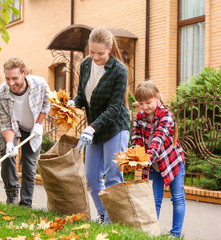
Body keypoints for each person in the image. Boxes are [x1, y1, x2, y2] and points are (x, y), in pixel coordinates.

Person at [68, 27, 130, 224]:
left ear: (110, 49)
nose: (95, 57)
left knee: (113, 175)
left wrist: (91, 128)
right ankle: (104, 215)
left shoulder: (120, 71)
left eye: (100, 53)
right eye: (91, 52)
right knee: (92, 178)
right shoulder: (86, 65)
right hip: (94, 129)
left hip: (115, 127)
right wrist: (72, 103)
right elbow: (81, 95)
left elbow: (114, 108)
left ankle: (115, 221)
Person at [131, 80, 185, 238]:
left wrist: (147, 158)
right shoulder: (139, 117)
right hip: (153, 165)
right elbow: (136, 140)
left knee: (177, 198)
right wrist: (134, 157)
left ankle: (175, 234)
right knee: (154, 200)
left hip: (172, 163)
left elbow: (158, 140)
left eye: (148, 102)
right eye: (142, 103)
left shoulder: (166, 115)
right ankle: (152, 233)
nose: (145, 106)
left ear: (157, 98)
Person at [0, 57, 50, 207]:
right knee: (7, 154)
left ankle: (26, 204)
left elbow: (47, 103)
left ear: (25, 73)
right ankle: (12, 194)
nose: (11, 83)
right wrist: (10, 144)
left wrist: (38, 124)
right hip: (13, 127)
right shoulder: (0, 95)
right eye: (7, 78)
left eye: (15, 78)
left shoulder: (40, 84)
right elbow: (5, 123)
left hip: (33, 129)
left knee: (29, 166)